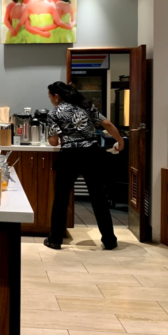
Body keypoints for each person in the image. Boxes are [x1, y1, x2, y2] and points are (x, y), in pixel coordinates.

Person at [44, 81, 125, 250]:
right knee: (99, 198)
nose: (51, 100)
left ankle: (55, 240)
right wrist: (120, 141)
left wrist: (57, 137)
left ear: (57, 97)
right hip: (91, 154)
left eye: (50, 97)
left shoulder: (54, 113)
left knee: (61, 199)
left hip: (69, 156)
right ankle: (109, 240)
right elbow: (108, 124)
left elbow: (53, 142)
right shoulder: (86, 106)